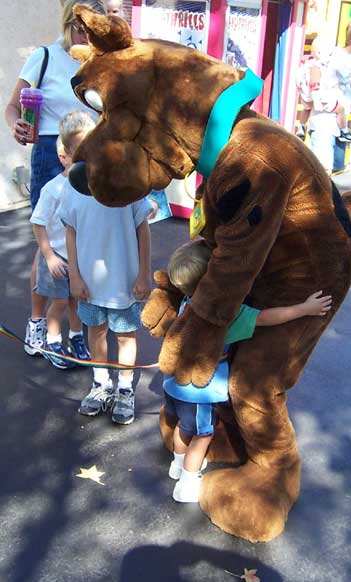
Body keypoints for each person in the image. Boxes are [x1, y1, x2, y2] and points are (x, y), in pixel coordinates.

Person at [163, 241, 333, 503]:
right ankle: (187, 482)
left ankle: (177, 464)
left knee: (184, 428)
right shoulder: (225, 314)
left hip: (174, 385)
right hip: (199, 393)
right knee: (202, 434)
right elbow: (265, 317)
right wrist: (304, 309)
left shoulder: (187, 303)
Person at [4, 0, 106, 359]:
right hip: (52, 151)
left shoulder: (100, 61)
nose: (85, 34)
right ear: (68, 24)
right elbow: (13, 106)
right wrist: (16, 122)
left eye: (93, 28)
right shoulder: (46, 56)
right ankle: (37, 321)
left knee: (84, 235)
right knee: (49, 235)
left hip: (93, 153)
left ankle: (76, 327)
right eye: (80, 26)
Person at [58, 111, 152, 425]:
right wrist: (74, 275)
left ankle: (125, 389)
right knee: (96, 333)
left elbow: (142, 228)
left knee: (125, 336)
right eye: (80, 151)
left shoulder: (125, 184)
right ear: (69, 156)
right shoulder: (71, 191)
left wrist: (143, 273)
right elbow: (70, 231)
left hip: (124, 282)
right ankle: (101, 383)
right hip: (88, 285)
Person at [30, 120, 92, 369]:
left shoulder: (90, 186)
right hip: (58, 257)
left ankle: (76, 337)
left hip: (81, 257)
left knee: (78, 300)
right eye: (80, 151)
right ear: (64, 156)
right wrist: (49, 256)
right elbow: (38, 223)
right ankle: (53, 341)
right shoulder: (53, 189)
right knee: (60, 303)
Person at [307, 17, 351, 174]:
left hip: (342, 127)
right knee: (323, 173)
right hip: (324, 121)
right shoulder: (332, 54)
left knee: (336, 170)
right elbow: (314, 72)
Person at [295, 37, 351, 144]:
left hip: (309, 98)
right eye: (330, 54)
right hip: (322, 100)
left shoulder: (308, 64)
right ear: (319, 53)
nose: (331, 57)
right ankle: (344, 131)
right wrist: (318, 101)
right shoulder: (316, 67)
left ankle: (301, 126)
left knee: (306, 109)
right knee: (340, 110)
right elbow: (315, 85)